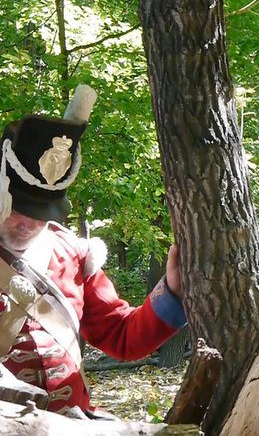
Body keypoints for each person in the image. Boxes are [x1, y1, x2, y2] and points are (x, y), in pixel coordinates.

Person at [0, 91, 186, 419]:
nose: (30, 224)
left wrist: (173, 291)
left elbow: (122, 336)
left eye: (41, 212)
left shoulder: (71, 254)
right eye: (19, 208)